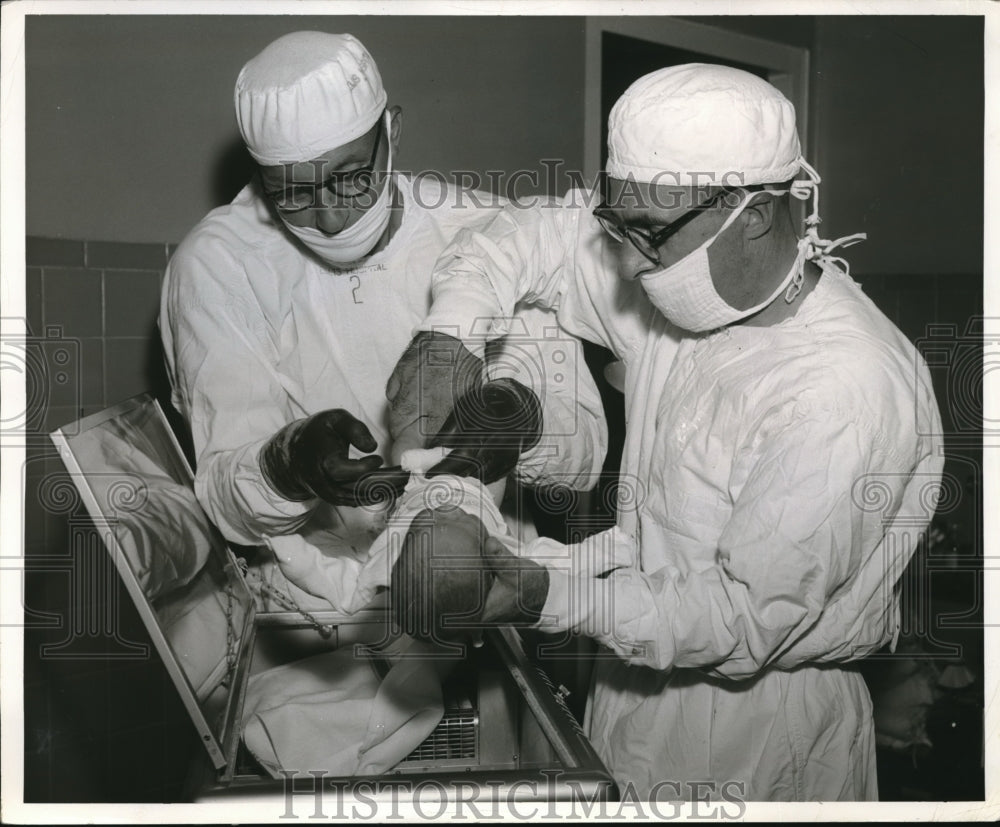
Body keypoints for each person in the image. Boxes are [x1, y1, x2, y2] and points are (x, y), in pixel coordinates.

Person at [389, 64, 944, 800]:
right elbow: (530, 237)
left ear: (754, 211)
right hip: (632, 685)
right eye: (618, 224)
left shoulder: (841, 387)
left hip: (757, 729)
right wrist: (450, 331)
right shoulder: (687, 289)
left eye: (648, 233)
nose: (628, 257)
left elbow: (737, 617)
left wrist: (537, 589)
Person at [159, 31, 607, 616]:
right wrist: (285, 465)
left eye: (350, 177)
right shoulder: (219, 264)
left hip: (481, 592)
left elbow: (586, 452)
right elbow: (223, 497)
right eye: (291, 191)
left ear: (391, 133)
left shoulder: (486, 237)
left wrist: (521, 421)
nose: (329, 215)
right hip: (316, 624)